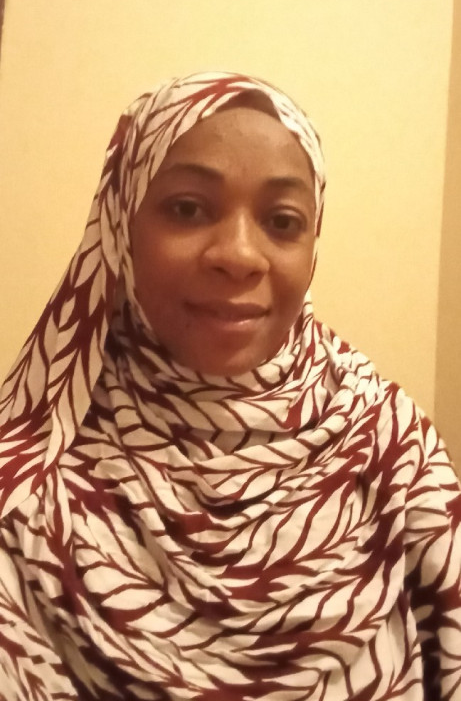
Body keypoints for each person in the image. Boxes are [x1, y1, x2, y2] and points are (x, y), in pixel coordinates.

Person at [0, 71, 459, 701]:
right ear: (121, 226)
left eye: (282, 220)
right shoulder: (28, 481)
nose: (239, 255)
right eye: (188, 209)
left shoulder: (391, 450)